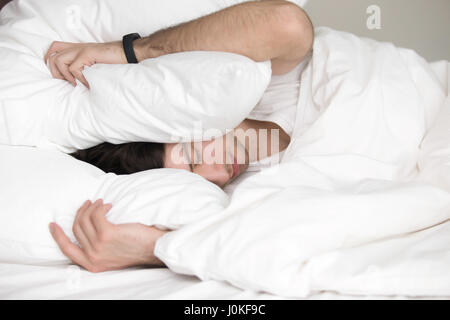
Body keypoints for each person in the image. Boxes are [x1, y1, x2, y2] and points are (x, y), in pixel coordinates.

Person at [46, 0, 314, 273]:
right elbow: (274, 256)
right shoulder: (244, 197)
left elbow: (286, 23)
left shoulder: (258, 80)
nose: (219, 176)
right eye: (199, 180)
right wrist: (154, 248)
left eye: (194, 157)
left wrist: (134, 50)